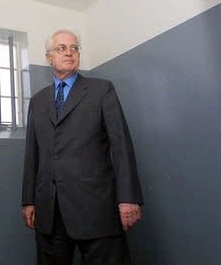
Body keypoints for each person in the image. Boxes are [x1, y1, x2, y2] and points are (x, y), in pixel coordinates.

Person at [21, 29, 143, 264]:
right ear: (48, 57)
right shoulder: (37, 101)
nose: (69, 53)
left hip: (97, 211)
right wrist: (28, 200)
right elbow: (32, 155)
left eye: (74, 48)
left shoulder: (101, 90)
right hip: (49, 212)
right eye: (62, 48)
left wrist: (128, 198)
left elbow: (121, 146)